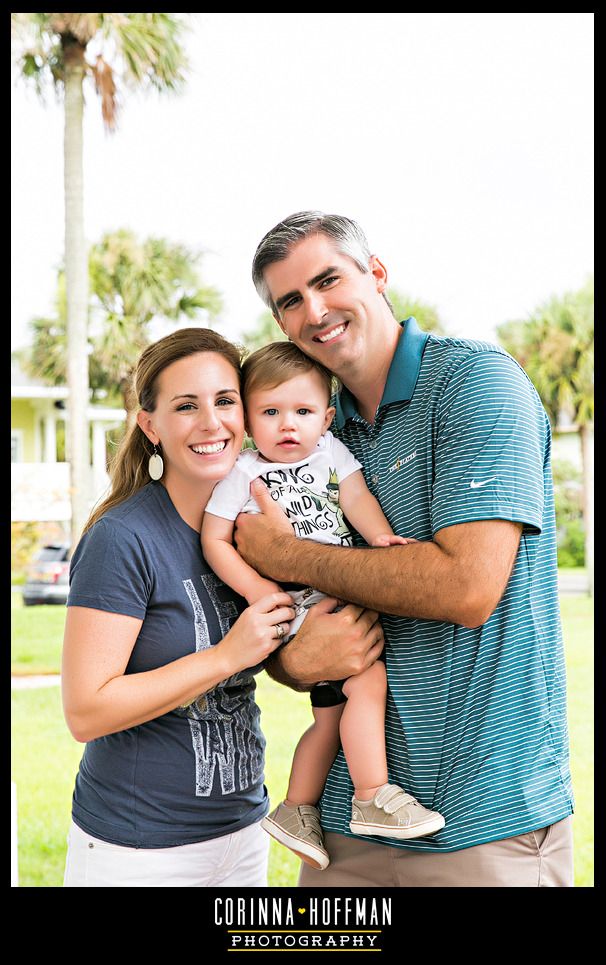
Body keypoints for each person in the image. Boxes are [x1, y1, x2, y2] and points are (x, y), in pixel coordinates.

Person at [232, 211, 575, 888]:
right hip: (343, 831)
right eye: (290, 301)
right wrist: (294, 660)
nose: (316, 310)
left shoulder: (476, 385)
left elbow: (466, 587)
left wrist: (289, 553)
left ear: (377, 273)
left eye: (328, 279)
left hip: (484, 823)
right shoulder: (310, 432)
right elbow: (285, 619)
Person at [61, 325, 384, 888]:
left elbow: (278, 649)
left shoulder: (248, 533)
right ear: (151, 426)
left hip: (241, 830)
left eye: (226, 400)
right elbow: (86, 712)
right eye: (186, 406)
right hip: (140, 847)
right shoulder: (124, 538)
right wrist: (226, 655)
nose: (212, 422)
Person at [201, 340, 445, 870]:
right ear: (247, 420)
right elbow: (214, 539)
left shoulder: (331, 452)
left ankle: (296, 808)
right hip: (295, 611)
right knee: (367, 681)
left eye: (303, 412)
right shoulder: (242, 472)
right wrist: (257, 590)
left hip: (335, 595)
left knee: (331, 716)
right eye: (270, 412)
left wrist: (380, 539)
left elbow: (356, 498)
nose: (288, 425)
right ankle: (371, 794)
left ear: (327, 417)